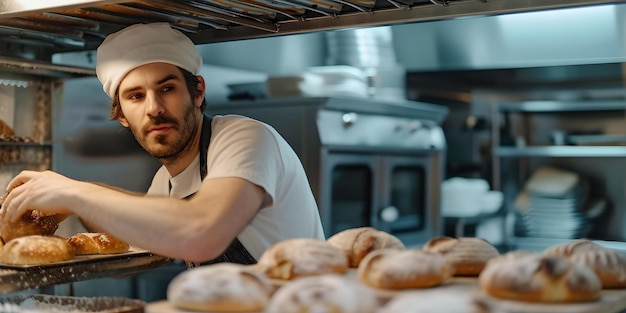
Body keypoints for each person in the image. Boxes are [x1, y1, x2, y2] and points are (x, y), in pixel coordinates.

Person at [0, 22, 324, 265]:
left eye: (167, 88)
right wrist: (73, 201)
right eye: (136, 96)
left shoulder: (246, 138)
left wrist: (75, 192)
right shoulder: (166, 183)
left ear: (197, 91)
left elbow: (201, 233)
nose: (153, 108)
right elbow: (137, 232)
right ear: (122, 115)